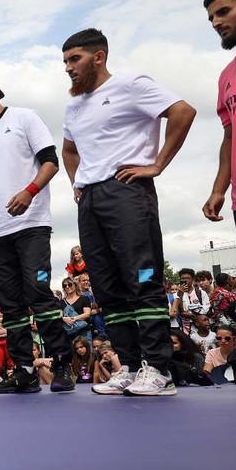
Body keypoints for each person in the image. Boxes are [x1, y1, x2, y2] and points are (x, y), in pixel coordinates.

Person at [61, 27, 196, 396]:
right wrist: (78, 182)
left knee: (142, 278)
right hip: (89, 199)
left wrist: (157, 165)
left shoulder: (132, 84)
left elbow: (183, 112)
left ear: (99, 56)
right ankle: (131, 366)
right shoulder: (73, 105)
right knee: (107, 286)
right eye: (65, 62)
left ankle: (160, 370)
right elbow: (69, 151)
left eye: (75, 59)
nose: (69, 68)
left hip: (127, 190)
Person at [0, 69, 73, 394]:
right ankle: (24, 370)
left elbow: (51, 161)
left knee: (39, 295)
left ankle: (62, 364)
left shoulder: (25, 118)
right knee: (10, 305)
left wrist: (29, 191)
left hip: (31, 224)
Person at [202, 0, 236, 273]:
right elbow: (230, 135)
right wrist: (219, 189)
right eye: (211, 18)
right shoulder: (226, 76)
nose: (216, 22)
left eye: (222, 12)